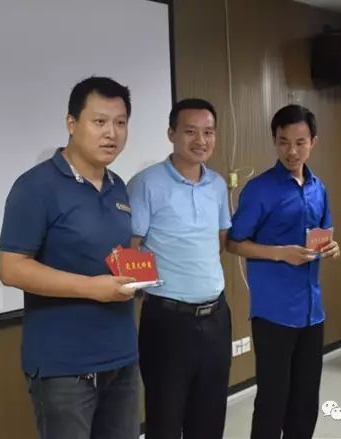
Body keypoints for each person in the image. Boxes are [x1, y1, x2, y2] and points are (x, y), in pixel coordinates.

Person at [0, 76, 140, 439]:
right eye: (99, 121)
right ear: (72, 123)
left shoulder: (118, 186)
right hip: (64, 368)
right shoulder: (35, 186)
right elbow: (11, 268)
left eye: (120, 122)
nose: (111, 133)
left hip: (121, 359)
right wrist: (92, 288)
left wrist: (138, 267)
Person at [227, 104, 340, 439]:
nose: (292, 151)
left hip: (312, 311)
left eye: (300, 142)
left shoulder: (318, 188)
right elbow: (234, 243)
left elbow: (325, 234)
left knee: (305, 401)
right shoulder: (260, 189)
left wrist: (332, 247)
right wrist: (280, 254)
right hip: (274, 312)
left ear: (313, 141)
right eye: (283, 142)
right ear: (274, 141)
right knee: (272, 401)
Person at [127, 98, 232, 439]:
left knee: (210, 419)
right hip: (167, 321)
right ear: (171, 133)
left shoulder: (217, 185)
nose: (201, 140)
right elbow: (131, 247)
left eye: (208, 132)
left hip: (216, 318)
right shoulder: (146, 183)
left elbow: (219, 241)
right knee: (165, 421)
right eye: (190, 131)